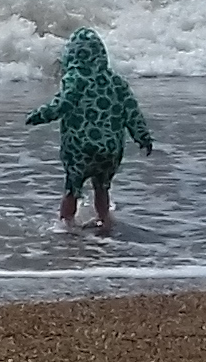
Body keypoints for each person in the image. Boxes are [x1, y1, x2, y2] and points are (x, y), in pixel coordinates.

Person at [25, 28, 154, 233]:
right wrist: (142, 136)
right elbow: (132, 111)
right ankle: (105, 221)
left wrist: (40, 115)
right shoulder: (116, 81)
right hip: (110, 149)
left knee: (72, 188)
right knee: (101, 187)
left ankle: (66, 225)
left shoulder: (76, 78)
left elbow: (63, 104)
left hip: (81, 148)